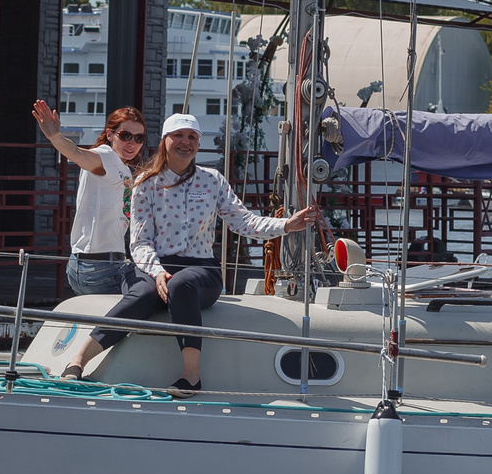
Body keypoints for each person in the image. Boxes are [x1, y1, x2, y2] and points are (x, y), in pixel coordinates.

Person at [63, 113, 324, 394]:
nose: (185, 142)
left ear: (198, 144)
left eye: (192, 137)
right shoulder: (146, 183)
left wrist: (286, 225)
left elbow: (243, 222)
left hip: (201, 269)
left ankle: (191, 376)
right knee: (143, 293)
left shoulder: (212, 180)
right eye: (178, 135)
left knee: (181, 284)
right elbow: (140, 241)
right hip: (154, 265)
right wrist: (157, 271)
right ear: (165, 141)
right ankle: (78, 360)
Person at [31, 98, 145, 296]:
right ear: (109, 134)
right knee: (149, 299)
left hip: (84, 264)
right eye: (125, 135)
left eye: (139, 138)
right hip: (102, 267)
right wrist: (55, 136)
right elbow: (77, 154)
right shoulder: (105, 156)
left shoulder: (122, 167)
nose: (132, 143)